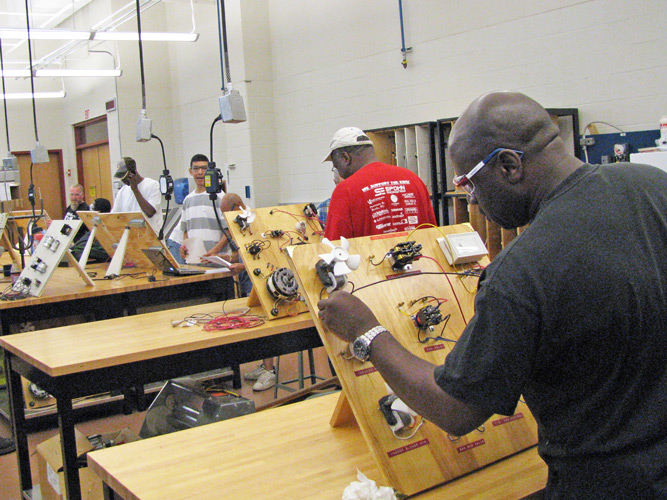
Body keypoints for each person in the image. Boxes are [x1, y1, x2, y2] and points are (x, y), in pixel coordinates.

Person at [317, 92, 667, 500]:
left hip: (605, 484)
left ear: (509, 165)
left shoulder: (522, 271)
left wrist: (367, 332)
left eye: (469, 180)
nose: (471, 197)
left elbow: (456, 409)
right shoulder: (653, 185)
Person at [322, 126, 436, 240]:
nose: (339, 172)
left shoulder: (345, 190)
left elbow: (335, 248)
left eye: (336, 167)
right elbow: (432, 232)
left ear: (345, 157)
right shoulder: (413, 179)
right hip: (421, 256)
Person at [179, 154, 230, 263]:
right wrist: (184, 246)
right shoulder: (187, 200)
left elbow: (229, 231)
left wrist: (214, 252)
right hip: (194, 266)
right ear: (190, 171)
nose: (200, 172)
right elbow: (185, 230)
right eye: (196, 169)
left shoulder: (220, 197)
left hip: (217, 267)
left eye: (204, 169)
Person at [111, 157, 163, 234]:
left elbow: (150, 212)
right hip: (132, 238)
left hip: (151, 237)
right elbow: (115, 216)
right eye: (121, 178)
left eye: (126, 177)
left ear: (134, 171)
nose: (123, 180)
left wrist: (135, 190)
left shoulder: (152, 185)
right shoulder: (122, 192)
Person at [70, 198, 111, 262]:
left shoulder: (107, 228)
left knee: (76, 253)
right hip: (82, 249)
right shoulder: (94, 226)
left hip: (103, 253)